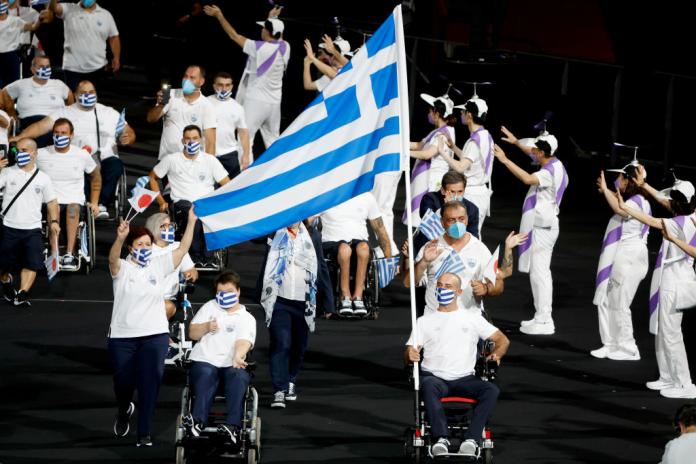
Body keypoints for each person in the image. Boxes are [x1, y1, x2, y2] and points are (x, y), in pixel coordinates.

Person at [108, 207, 197, 447]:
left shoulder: (158, 265)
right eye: (140, 244)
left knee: (150, 383)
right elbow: (112, 259)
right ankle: (124, 406)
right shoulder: (122, 269)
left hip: (155, 335)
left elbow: (182, 249)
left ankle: (144, 432)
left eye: (148, 244)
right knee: (123, 383)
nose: (145, 248)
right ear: (131, 248)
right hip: (122, 336)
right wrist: (119, 237)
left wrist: (191, 222)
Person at [405, 272, 510, 458]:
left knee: (491, 390)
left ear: (459, 291)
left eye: (448, 286)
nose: (442, 289)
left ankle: (471, 439)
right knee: (427, 385)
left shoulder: (471, 318)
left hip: (465, 378)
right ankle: (441, 439)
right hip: (435, 377)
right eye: (439, 285)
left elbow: (502, 340)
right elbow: (409, 352)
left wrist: (497, 353)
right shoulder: (424, 321)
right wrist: (410, 353)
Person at [618, 173, 696, 399]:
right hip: (672, 275)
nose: (668, 202)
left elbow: (650, 221)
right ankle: (667, 377)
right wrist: (644, 186)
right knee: (664, 330)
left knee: (671, 333)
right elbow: (664, 202)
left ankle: (684, 383)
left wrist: (626, 207)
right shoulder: (690, 216)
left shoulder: (676, 223)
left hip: (676, 277)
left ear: (678, 203)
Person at [12, 80, 135, 218]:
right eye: (83, 93)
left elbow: (128, 132)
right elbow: (41, 126)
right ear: (75, 95)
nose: (88, 95)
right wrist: (20, 137)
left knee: (115, 165)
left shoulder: (109, 113)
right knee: (77, 169)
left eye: (91, 92)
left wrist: (128, 137)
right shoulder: (65, 112)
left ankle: (101, 204)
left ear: (96, 94)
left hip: (106, 158)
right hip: (76, 159)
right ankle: (85, 203)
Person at [494, 129, 569, 335]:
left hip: (544, 229)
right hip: (544, 226)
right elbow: (531, 151)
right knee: (538, 274)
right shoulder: (555, 163)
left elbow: (527, 179)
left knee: (541, 275)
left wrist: (505, 159)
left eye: (535, 150)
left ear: (543, 152)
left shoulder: (547, 172)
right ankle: (540, 316)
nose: (532, 153)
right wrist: (517, 142)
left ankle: (545, 320)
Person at [204, 4, 289, 156]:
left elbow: (233, 35)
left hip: (256, 101)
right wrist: (272, 18)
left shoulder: (259, 48)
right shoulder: (285, 47)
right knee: (273, 141)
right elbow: (278, 34)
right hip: (275, 103)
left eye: (264, 28)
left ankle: (244, 176)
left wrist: (219, 16)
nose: (261, 30)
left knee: (245, 140)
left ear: (268, 32)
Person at [184, 271, 255, 445]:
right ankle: (198, 422)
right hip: (206, 360)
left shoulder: (246, 318)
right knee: (205, 372)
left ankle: (233, 427)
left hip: (231, 364)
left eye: (229, 291)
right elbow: (192, 334)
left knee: (238, 375)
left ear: (238, 291)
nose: (224, 296)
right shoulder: (209, 307)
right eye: (220, 293)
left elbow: (244, 341)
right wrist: (207, 326)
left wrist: (238, 356)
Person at [590, 165, 650, 361]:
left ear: (629, 181)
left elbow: (620, 208)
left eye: (619, 177)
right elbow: (622, 204)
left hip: (631, 256)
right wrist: (608, 191)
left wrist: (607, 189)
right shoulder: (635, 200)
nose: (617, 180)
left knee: (621, 301)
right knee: (606, 297)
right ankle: (610, 343)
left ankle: (628, 347)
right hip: (622, 254)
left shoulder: (639, 202)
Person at [150, 125, 230, 265]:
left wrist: (221, 202)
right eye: (188, 139)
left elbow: (227, 184)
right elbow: (152, 178)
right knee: (192, 213)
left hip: (205, 203)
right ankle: (198, 257)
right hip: (182, 204)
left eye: (195, 138)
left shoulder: (210, 160)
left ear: (201, 140)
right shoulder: (171, 159)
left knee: (204, 213)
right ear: (182, 141)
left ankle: (205, 256)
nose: (191, 142)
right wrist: (161, 201)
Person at [260, 220, 320, 409]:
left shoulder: (312, 236)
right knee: (281, 342)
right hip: (280, 300)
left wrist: (328, 302)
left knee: (298, 346)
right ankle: (279, 389)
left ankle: (291, 379)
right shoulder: (274, 233)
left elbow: (321, 268)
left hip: (304, 302)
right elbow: (256, 234)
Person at [408, 201, 500, 315]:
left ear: (467, 219)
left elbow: (498, 284)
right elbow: (409, 282)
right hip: (434, 318)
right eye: (451, 220)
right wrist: (423, 262)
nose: (457, 224)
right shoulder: (431, 247)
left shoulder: (480, 249)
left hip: (468, 319)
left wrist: (486, 289)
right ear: (442, 222)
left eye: (461, 219)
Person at [0, 137, 60, 306]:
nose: (20, 154)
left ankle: (22, 293)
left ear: (35, 153)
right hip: (9, 227)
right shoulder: (7, 172)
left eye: (24, 151)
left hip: (32, 229)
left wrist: (54, 221)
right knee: (4, 266)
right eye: (17, 151)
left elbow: (52, 202)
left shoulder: (43, 178)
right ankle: (5, 280)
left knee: (32, 263)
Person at [36, 117, 101, 269]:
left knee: (72, 208)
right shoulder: (41, 154)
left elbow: (96, 177)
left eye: (64, 133)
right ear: (52, 134)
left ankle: (69, 254)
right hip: (50, 201)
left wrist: (95, 202)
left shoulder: (82, 155)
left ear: (72, 135)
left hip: (74, 201)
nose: (60, 136)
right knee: (55, 207)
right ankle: (54, 254)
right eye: (57, 133)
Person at [320, 192, 393, 315]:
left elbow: (379, 228)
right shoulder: (327, 194)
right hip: (331, 243)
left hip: (359, 243)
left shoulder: (366, 196)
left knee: (364, 247)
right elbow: (310, 221)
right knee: (344, 249)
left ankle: (358, 296)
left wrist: (389, 259)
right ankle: (345, 295)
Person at [440, 96, 494, 236]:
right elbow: (470, 159)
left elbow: (461, 167)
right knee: (471, 235)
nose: (461, 114)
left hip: (473, 193)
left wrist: (442, 152)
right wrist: (453, 147)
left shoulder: (475, 141)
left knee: (466, 237)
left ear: (469, 115)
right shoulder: (485, 135)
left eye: (463, 112)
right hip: (480, 192)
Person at [406, 92, 456, 227]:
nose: (428, 114)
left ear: (437, 113)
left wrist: (404, 153)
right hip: (426, 179)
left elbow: (427, 154)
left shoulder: (445, 133)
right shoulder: (436, 131)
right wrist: (399, 142)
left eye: (430, 111)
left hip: (434, 181)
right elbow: (418, 145)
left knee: (428, 219)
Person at [1, 55, 74, 147]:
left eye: (47, 67)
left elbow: (70, 98)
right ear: (32, 69)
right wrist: (11, 113)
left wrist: (68, 114)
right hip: (28, 122)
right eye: (41, 67)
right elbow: (4, 93)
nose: (45, 69)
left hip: (55, 124)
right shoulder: (21, 84)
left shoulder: (59, 84)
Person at [147, 64, 217, 160]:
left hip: (192, 164)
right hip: (166, 160)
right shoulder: (170, 94)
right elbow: (150, 119)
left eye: (192, 78)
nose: (187, 80)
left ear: (201, 82)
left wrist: (209, 168)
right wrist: (161, 105)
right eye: (185, 76)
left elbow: (210, 142)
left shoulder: (207, 106)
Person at [47, 0, 120, 90]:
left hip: (97, 67)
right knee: (72, 99)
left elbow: (114, 37)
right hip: (72, 68)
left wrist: (116, 57)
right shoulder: (68, 8)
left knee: (92, 100)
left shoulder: (106, 15)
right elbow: (53, 8)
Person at [144, 212, 197, 328]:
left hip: (168, 298)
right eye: (163, 226)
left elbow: (192, 271)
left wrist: (190, 274)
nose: (168, 228)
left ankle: (156, 334)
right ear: (153, 229)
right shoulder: (145, 249)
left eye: (170, 225)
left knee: (166, 306)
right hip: (145, 297)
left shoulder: (177, 246)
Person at [207, 71, 250, 177]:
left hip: (230, 155)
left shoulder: (237, 107)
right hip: (208, 154)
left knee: (232, 189)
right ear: (214, 86)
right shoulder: (205, 103)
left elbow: (243, 133)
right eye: (220, 85)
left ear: (231, 87)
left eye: (227, 85)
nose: (224, 88)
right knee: (209, 191)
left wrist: (246, 155)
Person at [0, 0, 47, 87]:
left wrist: (40, 19)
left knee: (12, 86)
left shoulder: (16, 20)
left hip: (13, 55)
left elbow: (33, 26)